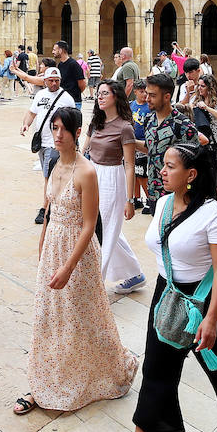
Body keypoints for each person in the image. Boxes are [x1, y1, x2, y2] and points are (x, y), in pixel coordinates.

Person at [103, 141, 217, 432]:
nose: (161, 169)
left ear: (191, 174)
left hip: (207, 301)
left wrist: (212, 319)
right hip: (167, 298)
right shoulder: (161, 204)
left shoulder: (212, 214)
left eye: (170, 166)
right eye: (164, 163)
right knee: (156, 373)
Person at [15, 105, 138, 417]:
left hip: (77, 252)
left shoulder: (86, 171)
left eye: (63, 130)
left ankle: (95, 372)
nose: (57, 135)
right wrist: (43, 242)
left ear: (77, 133)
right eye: (54, 128)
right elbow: (50, 208)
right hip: (54, 246)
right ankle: (43, 380)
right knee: (49, 316)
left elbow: (89, 224)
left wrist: (68, 266)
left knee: (83, 315)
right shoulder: (56, 163)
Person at [82, 81, 145, 294]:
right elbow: (84, 152)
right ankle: (135, 275)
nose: (99, 97)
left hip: (112, 179)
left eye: (104, 94)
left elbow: (129, 165)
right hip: (93, 175)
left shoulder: (125, 127)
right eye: (98, 93)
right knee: (110, 230)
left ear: (116, 97)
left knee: (103, 231)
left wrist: (129, 200)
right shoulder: (96, 122)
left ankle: (93, 287)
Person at [137, 74, 204, 212]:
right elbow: (151, 148)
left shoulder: (184, 126)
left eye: (152, 95)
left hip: (176, 195)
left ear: (167, 97)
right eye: (146, 94)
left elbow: (194, 162)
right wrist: (128, 142)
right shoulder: (149, 119)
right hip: (153, 193)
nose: (147, 98)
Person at [23, 67, 77, 225]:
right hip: (42, 143)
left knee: (49, 177)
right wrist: (25, 124)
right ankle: (54, 203)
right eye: (51, 80)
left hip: (56, 145)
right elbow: (32, 113)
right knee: (49, 176)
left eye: (57, 81)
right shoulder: (40, 95)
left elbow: (74, 120)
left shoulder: (66, 98)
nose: (54, 83)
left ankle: (45, 209)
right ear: (45, 81)